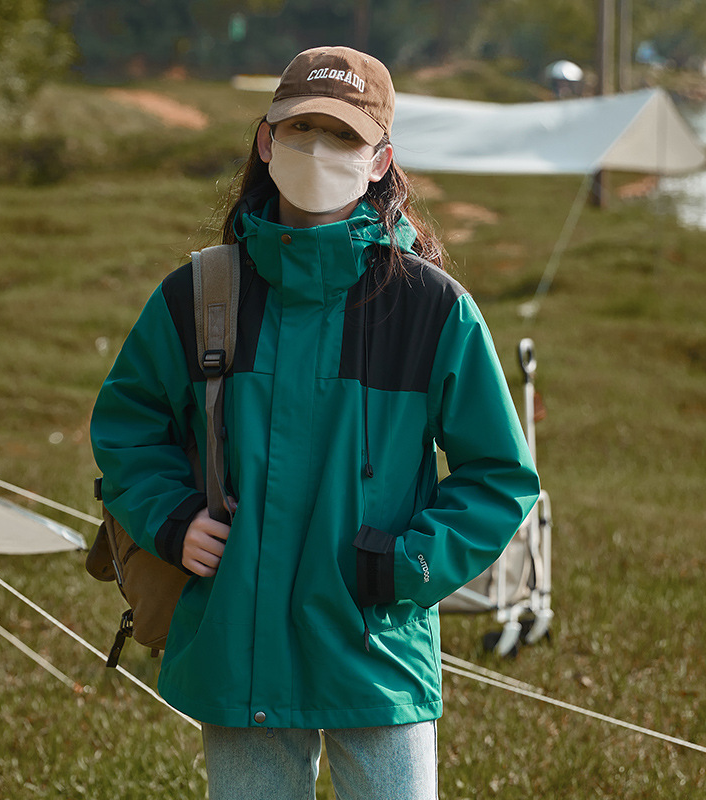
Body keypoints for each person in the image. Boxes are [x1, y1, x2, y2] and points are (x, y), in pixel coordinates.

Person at [90, 45, 540, 800]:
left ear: (379, 160)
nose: (317, 151)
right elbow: (128, 425)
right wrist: (171, 520)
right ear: (267, 142)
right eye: (300, 130)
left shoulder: (434, 309)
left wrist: (408, 566)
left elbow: (500, 475)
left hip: (376, 647)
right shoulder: (199, 294)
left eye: (342, 137)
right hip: (241, 644)